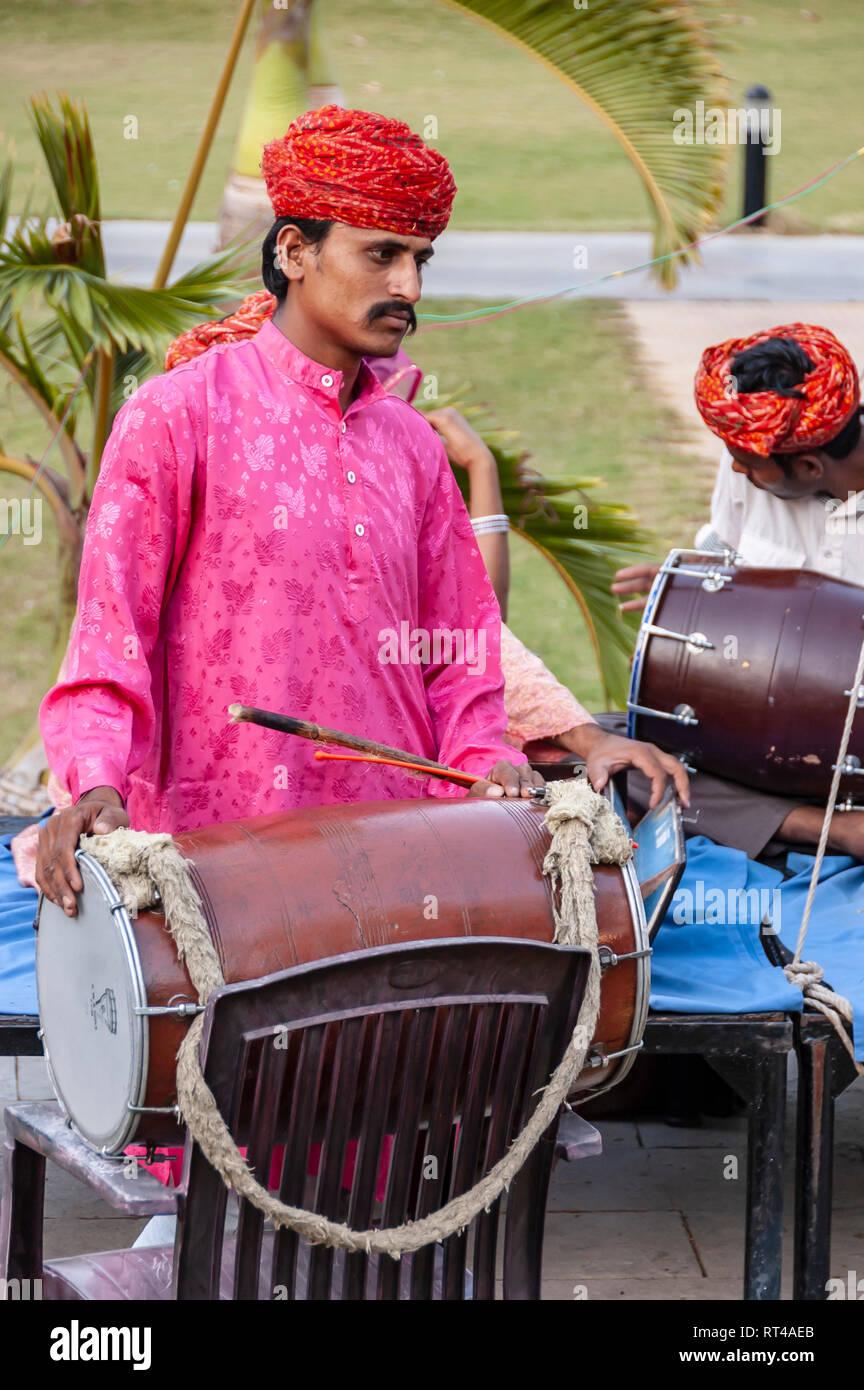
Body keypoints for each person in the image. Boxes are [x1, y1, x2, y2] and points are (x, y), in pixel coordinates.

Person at [34, 104, 545, 921]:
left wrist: (487, 757)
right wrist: (94, 783)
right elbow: (111, 631)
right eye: (381, 254)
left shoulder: (412, 445)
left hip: (400, 856)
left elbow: (457, 650)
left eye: (419, 259)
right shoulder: (178, 414)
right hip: (220, 866)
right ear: (294, 251)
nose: (408, 287)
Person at [610, 323, 864, 862]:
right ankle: (832, 830)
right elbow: (724, 560)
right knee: (620, 755)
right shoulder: (755, 457)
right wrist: (688, 594)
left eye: (747, 465)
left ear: (811, 466)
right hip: (760, 743)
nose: (735, 469)